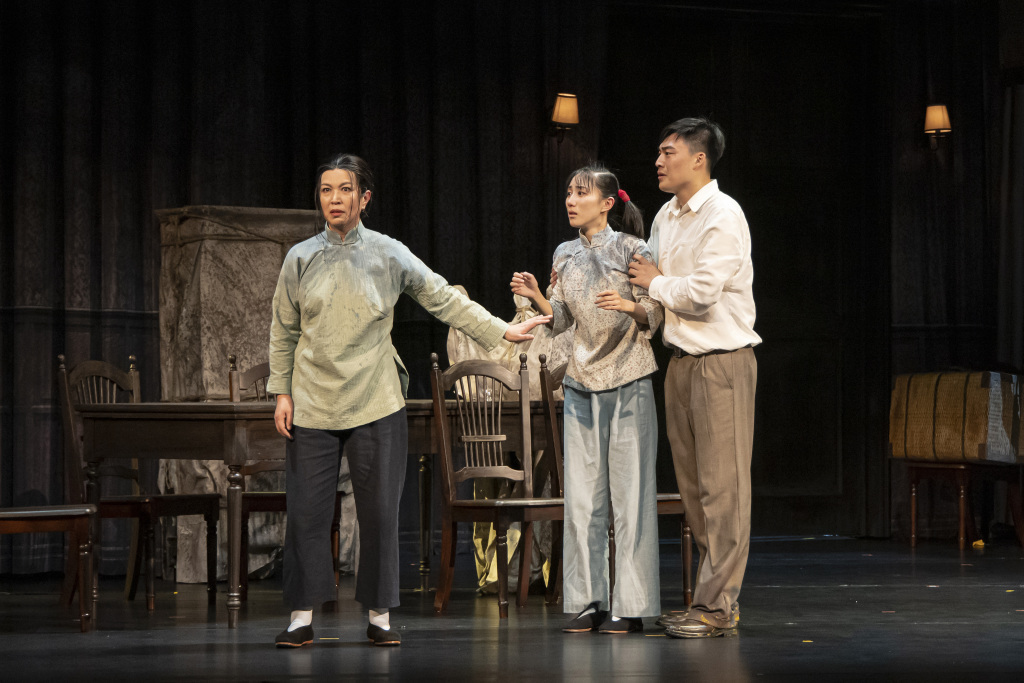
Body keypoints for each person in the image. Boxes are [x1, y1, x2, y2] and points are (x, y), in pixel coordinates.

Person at [267, 153, 549, 648]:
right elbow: (284, 328)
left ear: (364, 198)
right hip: (311, 399)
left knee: (379, 512)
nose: (335, 199)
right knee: (307, 513)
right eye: (326, 190)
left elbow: (442, 297)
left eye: (345, 189)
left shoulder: (389, 253)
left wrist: (500, 330)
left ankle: (379, 616)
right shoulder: (301, 257)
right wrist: (282, 391)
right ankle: (301, 616)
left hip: (375, 397)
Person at [511, 164, 663, 634]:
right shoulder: (565, 252)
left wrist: (628, 305)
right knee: (582, 500)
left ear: (607, 203)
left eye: (581, 193)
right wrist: (538, 297)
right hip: (581, 384)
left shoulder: (632, 248)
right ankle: (589, 601)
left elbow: (655, 312)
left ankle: (631, 606)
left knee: (631, 498)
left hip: (629, 377)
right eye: (568, 193)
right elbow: (561, 318)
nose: (571, 201)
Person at [628, 117, 760, 638]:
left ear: (698, 158)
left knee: (723, 489)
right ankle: (711, 600)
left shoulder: (723, 214)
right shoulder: (666, 215)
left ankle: (717, 607)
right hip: (680, 362)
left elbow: (701, 292)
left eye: (669, 152)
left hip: (722, 362)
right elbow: (649, 284)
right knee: (694, 491)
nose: (658, 161)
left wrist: (656, 281)